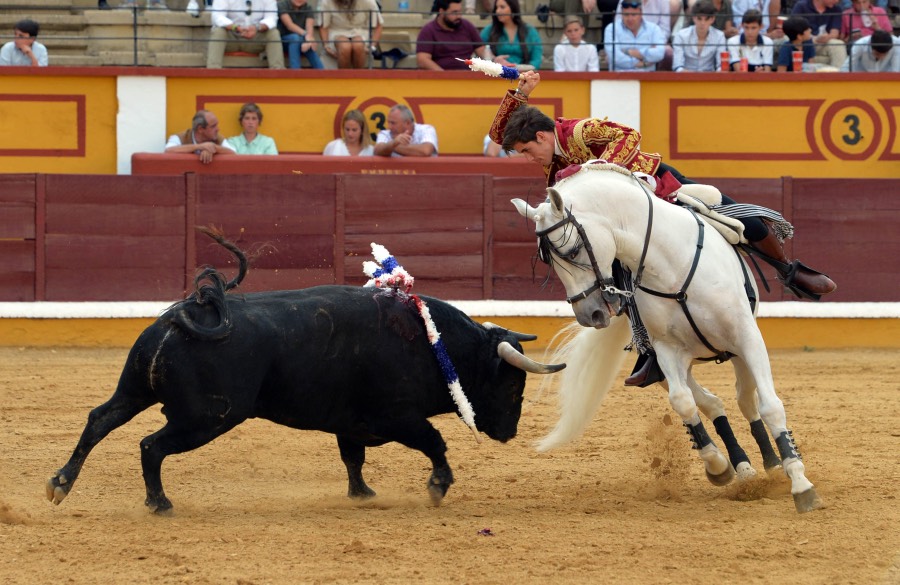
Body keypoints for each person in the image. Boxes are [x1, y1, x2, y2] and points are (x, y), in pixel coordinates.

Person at [489, 71, 836, 386]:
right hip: (625, 223)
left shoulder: (579, 132)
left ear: (542, 135)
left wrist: (598, 172)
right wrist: (520, 95)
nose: (528, 158)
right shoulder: (554, 160)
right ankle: (651, 351)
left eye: (527, 150)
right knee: (621, 277)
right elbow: (497, 134)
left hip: (659, 188)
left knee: (744, 221)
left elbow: (629, 135)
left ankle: (789, 272)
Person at [207, 0, 285, 69]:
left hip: (255, 37)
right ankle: (213, 70)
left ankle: (278, 71)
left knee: (273, 33)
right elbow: (217, 16)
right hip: (231, 36)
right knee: (218, 32)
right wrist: (235, 27)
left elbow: (272, 18)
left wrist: (257, 27)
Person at [417, 0, 489, 70]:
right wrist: (444, 75)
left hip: (467, 74)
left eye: (460, 12)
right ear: (441, 11)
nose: (458, 16)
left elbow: (482, 51)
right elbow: (423, 60)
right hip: (441, 75)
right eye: (454, 12)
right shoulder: (429, 30)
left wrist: (493, 62)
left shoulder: (467, 26)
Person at [604, 1, 668, 71]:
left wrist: (629, 52)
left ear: (641, 14)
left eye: (634, 15)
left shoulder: (654, 29)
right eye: (626, 15)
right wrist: (640, 63)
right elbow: (615, 57)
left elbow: (659, 53)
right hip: (620, 76)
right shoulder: (611, 29)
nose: (630, 19)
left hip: (646, 76)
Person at [319, 0, 383, 69]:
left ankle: (358, 75)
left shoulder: (368, 1)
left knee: (358, 45)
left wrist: (372, 47)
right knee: (344, 46)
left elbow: (379, 25)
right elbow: (323, 26)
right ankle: (344, 75)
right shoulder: (326, 1)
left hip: (360, 31)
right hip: (336, 31)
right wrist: (326, 46)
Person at [480, 0, 543, 70]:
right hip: (497, 73)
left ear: (513, 9)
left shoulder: (530, 31)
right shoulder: (489, 30)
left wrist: (518, 67)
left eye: (502, 7)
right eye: (496, 8)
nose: (498, 11)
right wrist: (494, 60)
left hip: (524, 73)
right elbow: (479, 53)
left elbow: (537, 60)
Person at [672, 0, 728, 72]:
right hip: (685, 76)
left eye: (706, 19)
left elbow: (721, 66)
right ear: (694, 18)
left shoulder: (719, 36)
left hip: (709, 77)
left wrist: (718, 73)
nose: (702, 23)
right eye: (699, 18)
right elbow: (677, 66)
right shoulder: (681, 35)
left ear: (712, 19)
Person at [790, 0, 847, 68]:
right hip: (804, 42)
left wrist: (827, 37)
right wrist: (814, 39)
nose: (837, 1)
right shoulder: (801, 6)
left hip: (823, 43)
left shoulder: (836, 9)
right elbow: (793, 30)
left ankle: (839, 74)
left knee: (838, 44)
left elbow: (835, 33)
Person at [165, 110, 235, 164]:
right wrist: (199, 147)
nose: (218, 129)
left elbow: (233, 153)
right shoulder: (180, 137)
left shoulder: (218, 137)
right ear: (200, 129)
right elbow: (168, 150)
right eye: (213, 126)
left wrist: (213, 148)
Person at [374, 105, 438, 157]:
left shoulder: (426, 129)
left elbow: (425, 151)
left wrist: (391, 146)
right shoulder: (385, 134)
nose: (389, 127)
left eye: (393, 123)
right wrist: (394, 143)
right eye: (388, 122)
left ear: (407, 123)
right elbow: (377, 150)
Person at [278, 0, 325, 69]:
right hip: (283, 40)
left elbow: (309, 27)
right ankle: (295, 72)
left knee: (309, 45)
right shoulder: (282, 5)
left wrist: (309, 40)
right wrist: (306, 36)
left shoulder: (308, 8)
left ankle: (322, 72)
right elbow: (290, 25)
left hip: (301, 39)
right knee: (295, 38)